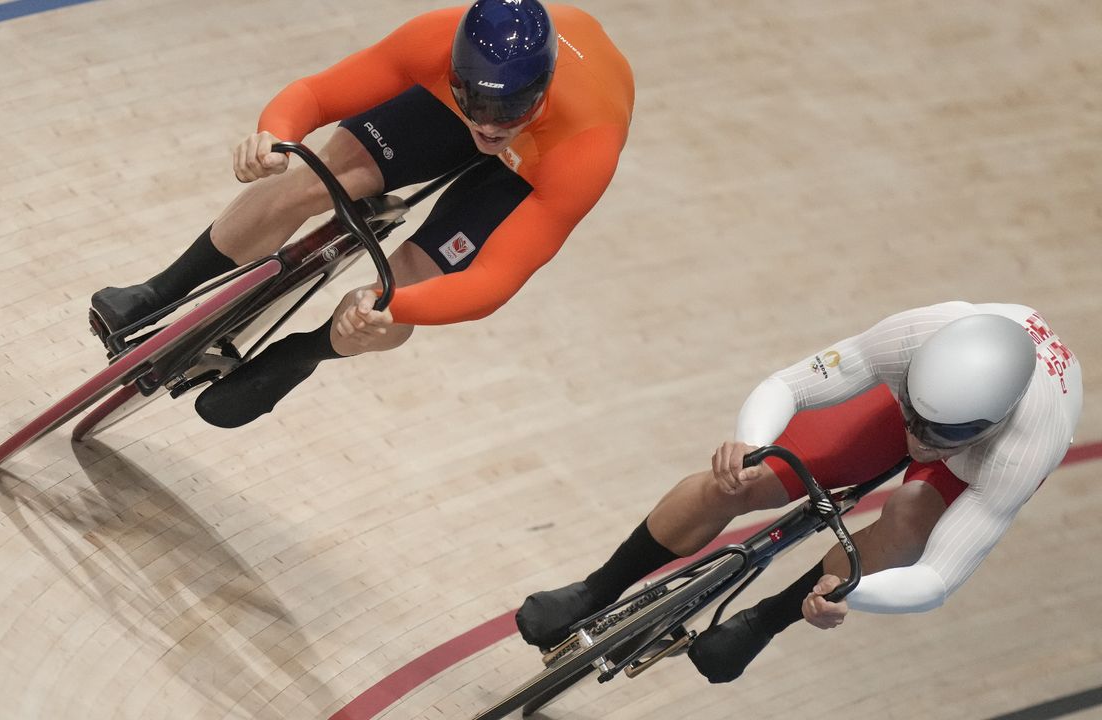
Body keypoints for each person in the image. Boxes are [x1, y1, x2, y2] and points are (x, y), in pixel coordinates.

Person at [88, 0, 633, 428]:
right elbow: (317, 94)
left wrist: (387, 308)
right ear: (455, 71)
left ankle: (303, 354)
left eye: (509, 111)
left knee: (400, 291)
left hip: (537, 163)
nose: (490, 127)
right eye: (477, 105)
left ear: (542, 89)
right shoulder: (435, 40)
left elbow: (493, 281)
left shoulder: (586, 149)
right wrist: (274, 137)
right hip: (451, 113)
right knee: (311, 180)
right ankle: (160, 291)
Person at [515, 301, 1082, 682]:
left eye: (940, 433)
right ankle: (596, 590)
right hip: (933, 401)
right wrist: (751, 443)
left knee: (909, 517)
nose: (917, 438)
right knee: (744, 478)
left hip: (977, 460)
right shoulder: (913, 338)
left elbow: (937, 580)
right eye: (914, 414)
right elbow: (790, 384)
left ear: (992, 421)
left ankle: (765, 619)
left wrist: (849, 593)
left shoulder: (1025, 447)